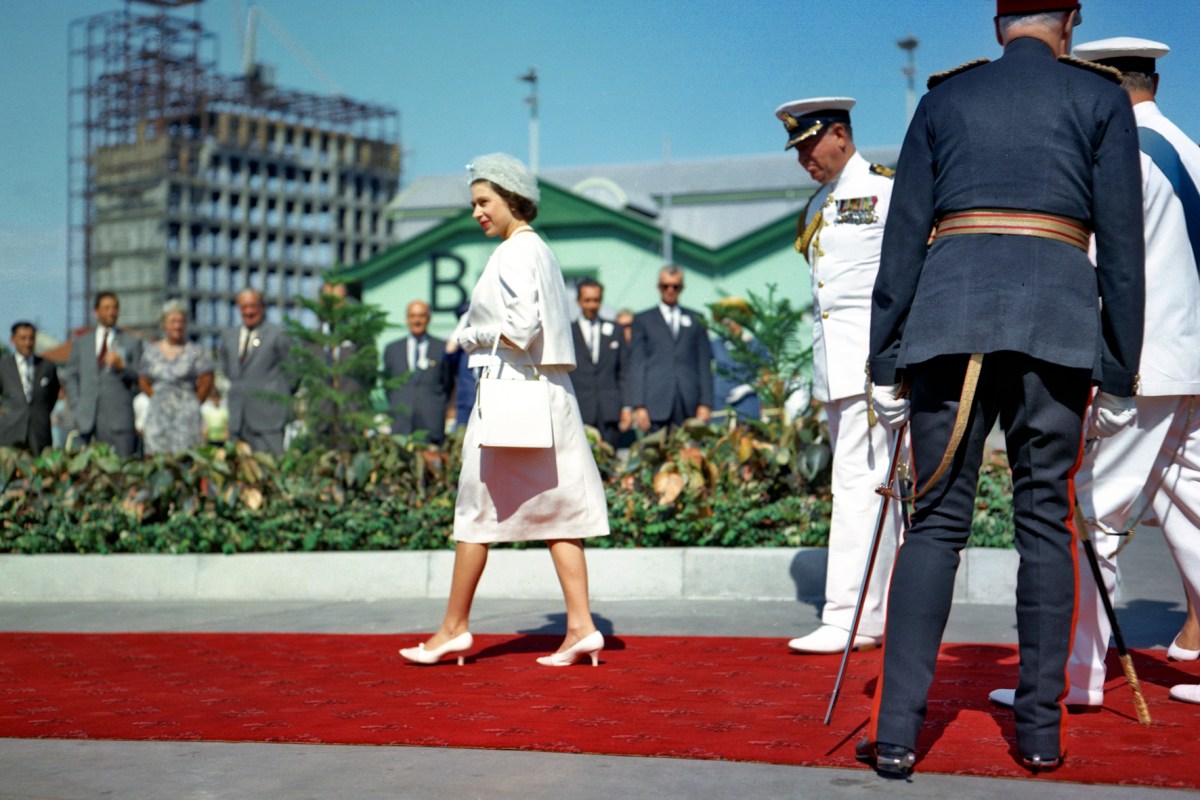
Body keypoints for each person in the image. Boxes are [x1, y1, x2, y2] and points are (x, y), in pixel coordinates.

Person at [859, 1, 1144, 775]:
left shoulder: (944, 99)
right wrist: (1119, 368)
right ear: (1072, 20)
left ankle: (895, 735)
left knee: (937, 524)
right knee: (1044, 523)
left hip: (948, 320)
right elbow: (1122, 245)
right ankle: (1041, 734)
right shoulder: (1100, 99)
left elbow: (903, 233)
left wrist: (884, 358)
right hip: (1056, 323)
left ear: (997, 24)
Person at [988, 36, 1200, 712]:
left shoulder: (1117, 150)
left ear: (1103, 84)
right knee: (1192, 515)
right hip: (1189, 360)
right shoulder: (1189, 148)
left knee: (1089, 515)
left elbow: (1103, 271)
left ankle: (1072, 677)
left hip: (1139, 366)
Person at [399, 153, 609, 667]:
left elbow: (520, 328)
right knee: (560, 513)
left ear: (511, 198)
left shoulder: (514, 253)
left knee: (474, 512)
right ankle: (580, 627)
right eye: (474, 203)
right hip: (547, 397)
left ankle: (453, 628)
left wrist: (466, 336)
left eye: (484, 201)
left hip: (512, 394)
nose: (477, 212)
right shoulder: (539, 250)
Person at [774, 97, 901, 654]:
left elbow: (906, 280)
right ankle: (873, 615)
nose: (804, 157)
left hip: (875, 367)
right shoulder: (821, 202)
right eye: (797, 149)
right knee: (866, 491)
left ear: (841, 135)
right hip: (836, 372)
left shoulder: (886, 190)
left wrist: (897, 367)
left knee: (859, 491)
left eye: (809, 145)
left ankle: (850, 616)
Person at [628, 266, 713, 433]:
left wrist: (706, 403)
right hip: (655, 403)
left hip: (689, 402)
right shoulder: (643, 320)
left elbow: (704, 363)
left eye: (675, 286)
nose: (670, 290)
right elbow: (637, 365)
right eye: (665, 286)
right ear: (658, 287)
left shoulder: (696, 319)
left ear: (682, 288)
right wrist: (639, 405)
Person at [65, 291, 144, 457]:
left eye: (115, 308)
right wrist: (77, 405)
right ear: (96, 312)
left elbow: (141, 378)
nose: (111, 312)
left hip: (119, 422)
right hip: (87, 421)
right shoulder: (81, 343)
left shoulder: (132, 343)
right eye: (106, 308)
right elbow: (71, 376)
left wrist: (123, 367)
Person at [221, 288, 294, 456]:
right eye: (243, 307)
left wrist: (277, 396)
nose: (249, 311)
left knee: (270, 471)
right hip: (238, 420)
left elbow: (293, 373)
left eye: (253, 306)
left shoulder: (278, 334)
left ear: (263, 307)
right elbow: (228, 370)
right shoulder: (229, 337)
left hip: (269, 420)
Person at [138, 301, 214, 455]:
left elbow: (207, 380)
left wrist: (191, 402)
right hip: (158, 416)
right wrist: (158, 397)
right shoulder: (151, 351)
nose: (177, 326)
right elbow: (143, 379)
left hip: (187, 417)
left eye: (181, 321)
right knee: (156, 458)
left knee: (187, 457)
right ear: (164, 324)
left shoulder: (195, 351)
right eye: (173, 321)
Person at [569, 278, 631, 447]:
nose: (591, 305)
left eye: (596, 300)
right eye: (587, 300)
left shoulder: (615, 331)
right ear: (578, 301)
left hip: (610, 413)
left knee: (609, 465)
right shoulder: (568, 332)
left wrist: (626, 407)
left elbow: (623, 372)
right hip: (580, 411)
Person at [384, 300, 453, 445]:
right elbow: (388, 385)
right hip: (401, 423)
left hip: (431, 423)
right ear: (407, 319)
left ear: (428, 319)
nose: (417, 320)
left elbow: (448, 383)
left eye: (421, 316)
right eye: (413, 316)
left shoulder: (441, 348)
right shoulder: (392, 349)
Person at [0, 321, 60, 454]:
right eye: (23, 338)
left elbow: (52, 396)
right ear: (13, 340)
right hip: (10, 434)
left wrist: (40, 413)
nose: (27, 343)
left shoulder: (47, 366)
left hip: (39, 436)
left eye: (31, 338)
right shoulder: (3, 367)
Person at [709, 297, 766, 425]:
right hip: (720, 402)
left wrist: (748, 388)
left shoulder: (755, 344)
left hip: (746, 402)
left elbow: (766, 375)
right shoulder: (715, 344)